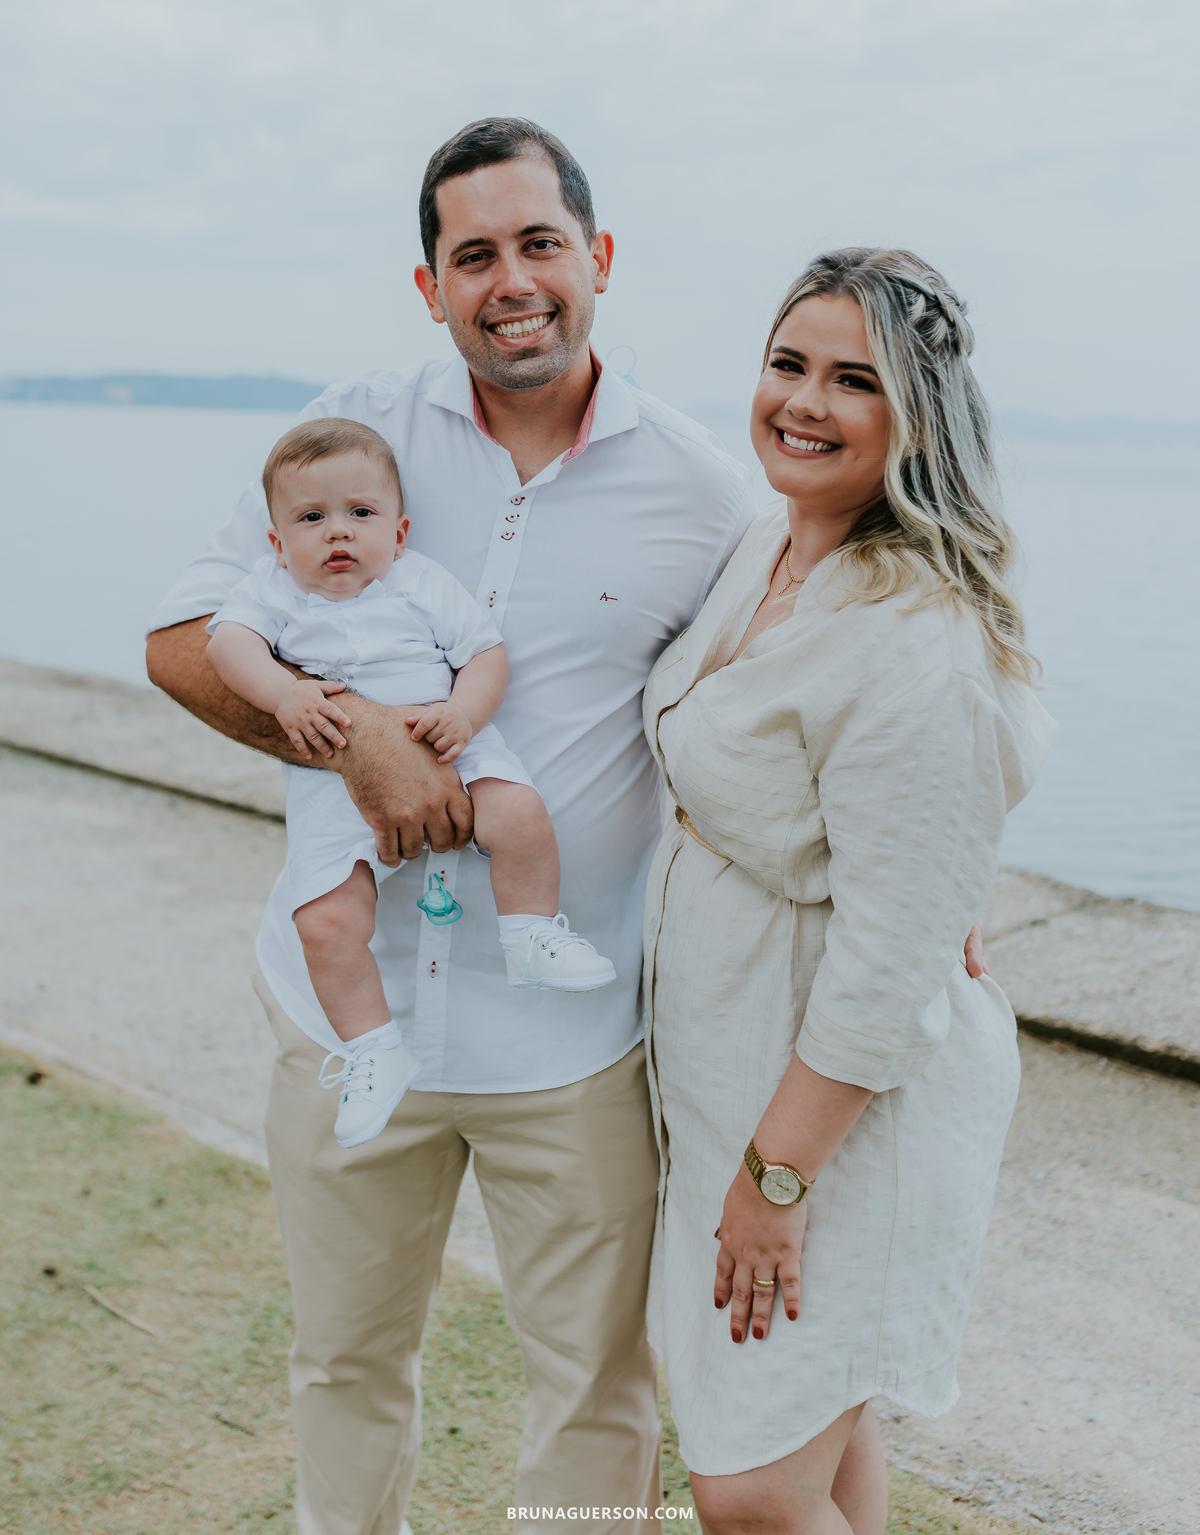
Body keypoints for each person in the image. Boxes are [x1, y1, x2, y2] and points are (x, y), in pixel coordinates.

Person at [146, 117, 758, 1533]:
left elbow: (784, 707)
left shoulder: (703, 490)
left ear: (597, 259)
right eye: (472, 253)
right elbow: (183, 639)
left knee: (597, 1389)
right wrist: (356, 736)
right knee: (345, 1364)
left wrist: (938, 872)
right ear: (430, 284)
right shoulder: (352, 430)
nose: (510, 280)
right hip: (347, 1027)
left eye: (539, 244)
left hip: (575, 1040)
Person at [640, 248, 1055, 1535]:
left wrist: (777, 1183)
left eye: (853, 380)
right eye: (788, 365)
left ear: (915, 416)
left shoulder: (918, 635)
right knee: (821, 1448)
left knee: (753, 1488)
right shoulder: (771, 545)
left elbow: (888, 965)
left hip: (841, 1120)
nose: (804, 402)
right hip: (739, 1077)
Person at [207, 415, 615, 1150]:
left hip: (445, 738)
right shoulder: (272, 593)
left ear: (397, 532)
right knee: (323, 924)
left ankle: (530, 933)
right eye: (311, 518)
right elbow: (225, 643)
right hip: (333, 778)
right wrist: (282, 694)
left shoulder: (419, 582)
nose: (338, 532)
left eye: (360, 514)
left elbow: (485, 654)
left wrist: (464, 710)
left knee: (519, 815)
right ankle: (373, 1049)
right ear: (276, 543)